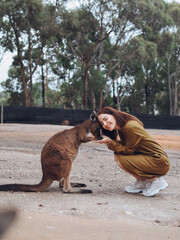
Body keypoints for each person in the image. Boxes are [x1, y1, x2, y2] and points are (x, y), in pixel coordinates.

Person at [96, 107, 170, 197]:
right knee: (118, 154)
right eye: (102, 123)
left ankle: (156, 181)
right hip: (151, 158)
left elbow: (128, 150)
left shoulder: (130, 126)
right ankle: (142, 182)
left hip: (158, 161)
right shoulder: (122, 128)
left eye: (106, 119)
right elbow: (126, 147)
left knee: (122, 160)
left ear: (114, 115)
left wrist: (109, 141)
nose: (105, 124)